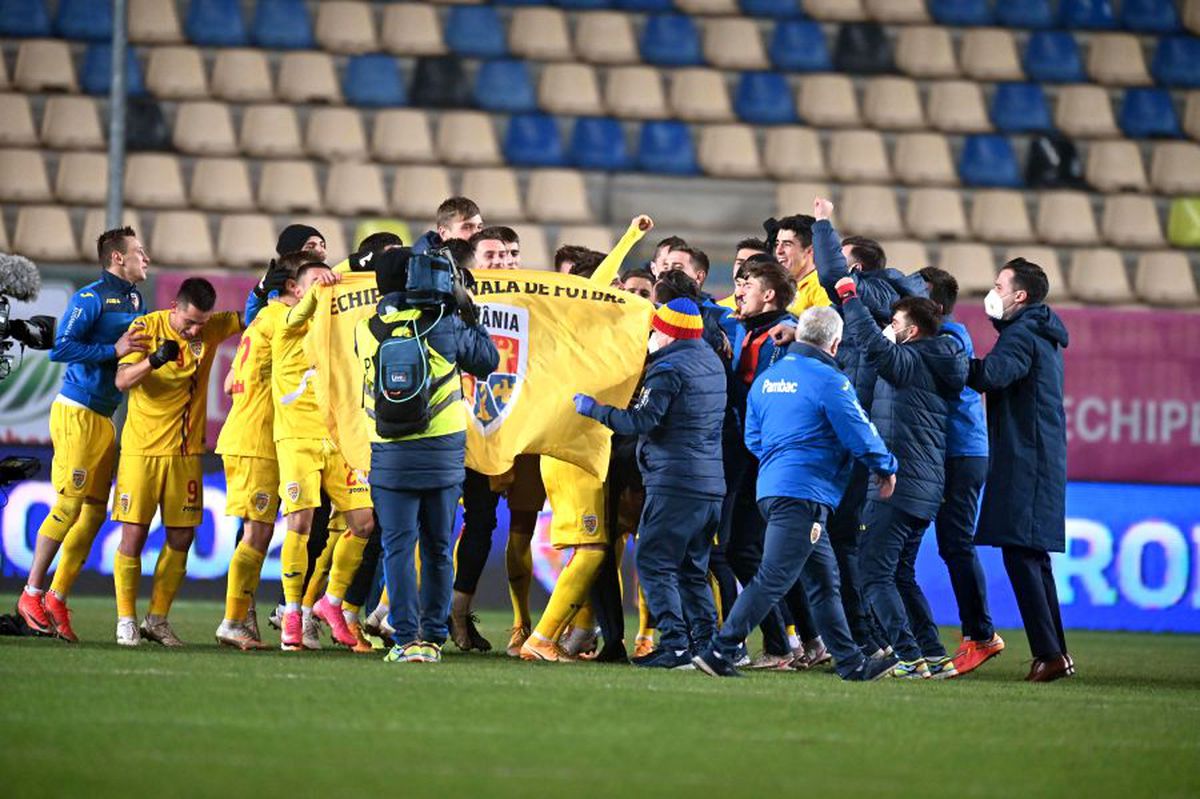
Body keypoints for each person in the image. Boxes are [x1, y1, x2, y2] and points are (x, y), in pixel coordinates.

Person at [693, 307, 900, 681]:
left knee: (823, 580)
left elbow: (753, 437)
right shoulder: (829, 381)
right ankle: (720, 651)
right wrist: (886, 466)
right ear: (834, 343)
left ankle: (852, 663)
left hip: (772, 488)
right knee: (774, 576)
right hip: (804, 492)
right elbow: (859, 432)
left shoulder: (768, 379)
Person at [354, 248, 499, 663]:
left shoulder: (367, 329)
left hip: (389, 454)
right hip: (442, 454)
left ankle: (404, 640)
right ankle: (433, 637)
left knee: (398, 548)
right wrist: (469, 312)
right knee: (437, 547)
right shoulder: (446, 324)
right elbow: (488, 361)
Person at [574, 298, 726, 668]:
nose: (652, 335)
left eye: (657, 329)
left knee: (655, 560)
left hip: (675, 481)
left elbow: (640, 422)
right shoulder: (710, 362)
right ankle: (706, 645)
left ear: (669, 333)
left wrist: (594, 409)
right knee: (692, 568)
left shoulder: (668, 369)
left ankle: (674, 644)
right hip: (710, 484)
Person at [14, 227, 149, 641]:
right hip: (76, 411)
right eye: (138, 252)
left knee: (93, 512)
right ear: (117, 259)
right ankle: (30, 593)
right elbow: (62, 347)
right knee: (70, 504)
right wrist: (114, 351)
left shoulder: (133, 298)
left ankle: (56, 596)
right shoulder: (90, 298)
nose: (146, 258)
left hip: (104, 417)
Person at [810, 198, 927, 656]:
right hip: (857, 431)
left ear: (856, 267)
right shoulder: (887, 300)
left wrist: (823, 223)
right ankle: (871, 639)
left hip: (862, 436)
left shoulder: (876, 294)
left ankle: (875, 641)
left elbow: (830, 275)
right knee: (847, 547)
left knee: (849, 546)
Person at [839, 282, 967, 679]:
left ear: (911, 331)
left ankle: (909, 657)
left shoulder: (907, 361)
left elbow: (870, 344)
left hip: (897, 483)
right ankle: (935, 656)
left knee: (874, 573)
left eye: (894, 323)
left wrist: (848, 295)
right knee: (900, 574)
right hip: (925, 486)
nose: (888, 329)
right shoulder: (937, 360)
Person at [111, 278, 243, 646]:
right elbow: (122, 379)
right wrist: (153, 361)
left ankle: (157, 619)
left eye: (202, 322)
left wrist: (272, 284)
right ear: (174, 306)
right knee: (134, 535)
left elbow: (253, 317)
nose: (195, 329)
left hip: (186, 453)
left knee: (182, 536)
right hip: (142, 451)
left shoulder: (211, 329)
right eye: (190, 321)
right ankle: (125, 619)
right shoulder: (145, 328)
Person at [966, 258, 1073, 683]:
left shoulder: (1023, 333)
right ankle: (1056, 654)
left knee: (1021, 554)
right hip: (1036, 453)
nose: (992, 293)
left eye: (998, 285)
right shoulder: (1039, 332)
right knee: (1031, 555)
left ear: (1020, 296)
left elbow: (992, 375)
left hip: (1025, 457)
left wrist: (950, 359)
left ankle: (1048, 655)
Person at [270, 257, 376, 651]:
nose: (326, 287)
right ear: (298, 289)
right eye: (316, 282)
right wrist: (318, 291)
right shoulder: (286, 324)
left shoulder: (337, 329)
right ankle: (293, 612)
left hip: (338, 439)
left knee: (364, 523)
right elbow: (300, 314)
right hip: (297, 439)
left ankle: (331, 603)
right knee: (300, 523)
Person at [918, 267, 1004, 675]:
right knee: (952, 545)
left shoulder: (948, 340)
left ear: (933, 306)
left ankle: (982, 634)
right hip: (951, 452)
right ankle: (976, 632)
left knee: (956, 544)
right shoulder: (947, 337)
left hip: (960, 453)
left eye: (914, 295)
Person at [214, 260, 291, 651]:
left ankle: (238, 617)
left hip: (249, 437)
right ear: (293, 286)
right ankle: (233, 620)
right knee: (256, 533)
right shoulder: (281, 319)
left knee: (258, 532)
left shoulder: (263, 319)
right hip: (256, 441)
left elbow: (229, 382)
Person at [765, 215, 832, 315]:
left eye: (787, 244)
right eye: (777, 244)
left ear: (810, 251)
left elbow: (825, 328)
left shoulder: (821, 288)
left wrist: (793, 330)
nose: (778, 251)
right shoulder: (779, 286)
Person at [413, 196, 484, 254]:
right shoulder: (424, 266)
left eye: (479, 227)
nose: (477, 233)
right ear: (443, 233)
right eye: (467, 227)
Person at [717, 237, 768, 311]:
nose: (743, 270)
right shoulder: (715, 312)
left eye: (753, 264)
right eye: (740, 263)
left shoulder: (780, 313)